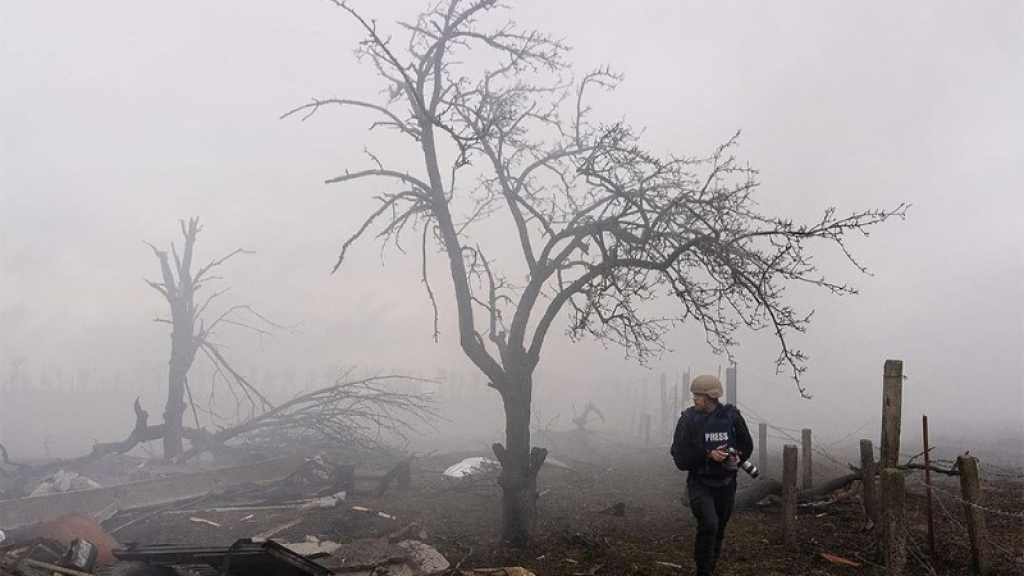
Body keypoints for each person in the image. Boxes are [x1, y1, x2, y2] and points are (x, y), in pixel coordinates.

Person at [670, 374, 754, 576]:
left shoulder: (732, 417)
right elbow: (680, 457)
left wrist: (735, 456)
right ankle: (703, 570)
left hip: (726, 483)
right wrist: (707, 454)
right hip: (700, 482)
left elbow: (747, 445)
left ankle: (710, 566)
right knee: (709, 524)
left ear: (708, 397)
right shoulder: (688, 420)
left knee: (719, 530)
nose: (694, 399)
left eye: (697, 396)